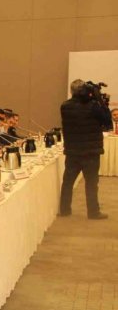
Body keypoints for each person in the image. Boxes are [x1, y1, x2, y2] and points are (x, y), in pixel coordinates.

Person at [59, 79, 111, 219]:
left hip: (72, 151)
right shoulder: (94, 106)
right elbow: (107, 122)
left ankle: (64, 210)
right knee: (91, 184)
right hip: (91, 152)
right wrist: (100, 101)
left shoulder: (65, 106)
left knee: (68, 182)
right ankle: (93, 212)